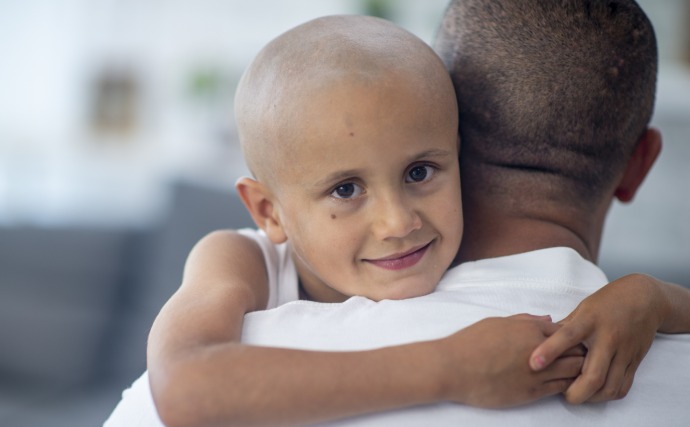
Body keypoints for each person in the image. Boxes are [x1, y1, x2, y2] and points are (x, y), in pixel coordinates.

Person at [104, 3, 690, 427]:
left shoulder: (439, 251)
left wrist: (653, 298)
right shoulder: (239, 260)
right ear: (268, 210)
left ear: (462, 149)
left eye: (419, 173)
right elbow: (181, 388)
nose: (398, 222)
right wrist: (446, 369)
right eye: (345, 189)